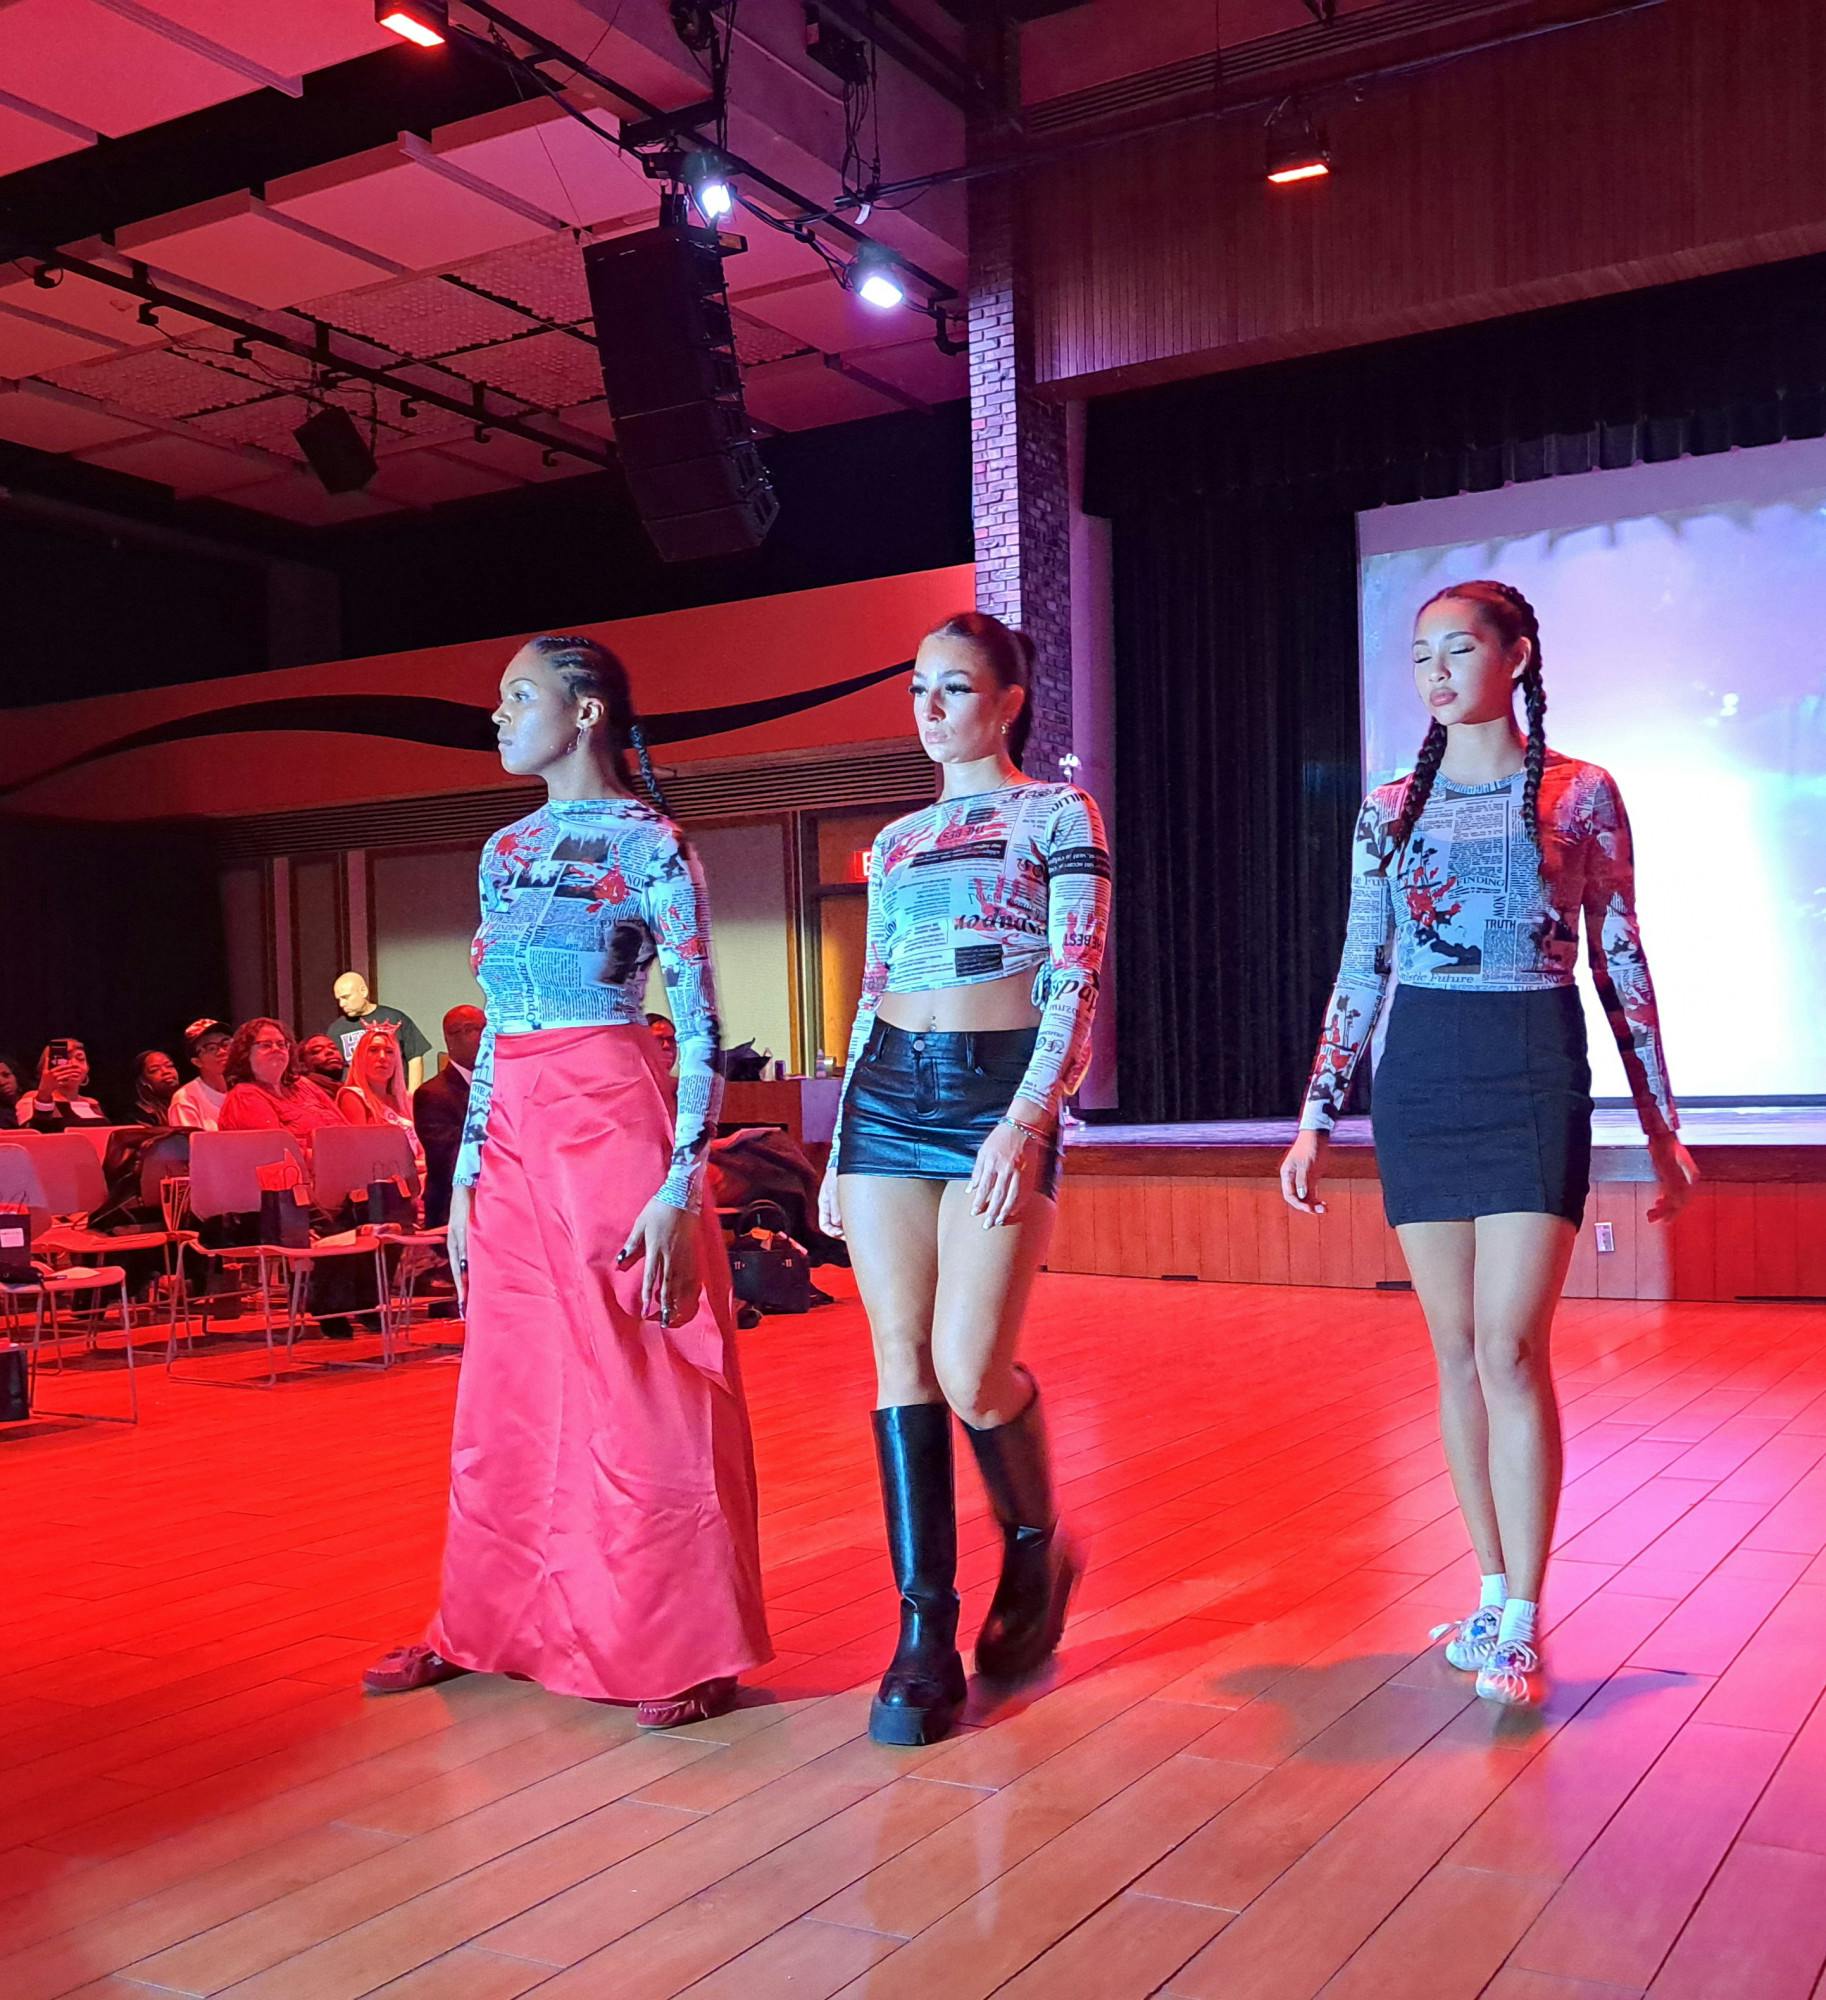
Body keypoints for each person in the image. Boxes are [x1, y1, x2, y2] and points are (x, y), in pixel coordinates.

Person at [1280, 580, 1698, 1709]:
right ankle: (1485, 1587)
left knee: (1510, 1346)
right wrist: (1318, 1111)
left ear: (1515, 655)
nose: (1434, 670)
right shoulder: (1383, 808)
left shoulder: (1579, 792)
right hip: (1418, 1077)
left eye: (1457, 648)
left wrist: (1660, 1124)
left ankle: (1522, 1614)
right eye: (1418, 654)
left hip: (1530, 1066)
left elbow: (1621, 960)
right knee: (1454, 1350)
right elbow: (1360, 962)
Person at [363, 633, 770, 1726]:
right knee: (509, 1382)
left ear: (585, 712)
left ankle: (682, 1642)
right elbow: (495, 1030)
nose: (497, 715)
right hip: (517, 1132)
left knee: (639, 1373)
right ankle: (489, 1619)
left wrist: (681, 1183)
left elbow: (698, 1022)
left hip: (608, 1112)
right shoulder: (501, 848)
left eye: (519, 695)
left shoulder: (650, 841)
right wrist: (462, 1179)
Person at [818, 611, 1112, 1746]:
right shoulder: (892, 841)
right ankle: (921, 1632)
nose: (929, 708)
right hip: (891, 1087)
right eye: (917, 690)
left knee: (969, 1366)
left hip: (1002, 1088)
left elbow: (1075, 977)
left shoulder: (1056, 812)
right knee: (898, 1357)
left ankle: (1036, 1547)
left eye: (952, 689)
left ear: (1006, 702)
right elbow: (871, 985)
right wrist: (842, 1140)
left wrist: (1027, 1115)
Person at [413, 1006, 485, 1230]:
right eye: (479, 1029)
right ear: (453, 1035)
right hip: (456, 1211)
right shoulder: (432, 1094)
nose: (488, 1037)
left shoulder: (503, 1085)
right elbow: (452, 1161)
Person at [218, 1019, 345, 1140]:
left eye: (281, 1044)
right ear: (245, 1053)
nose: (276, 1049)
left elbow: (347, 1128)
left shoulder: (303, 1084)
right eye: (266, 1045)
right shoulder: (244, 1096)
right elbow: (275, 1151)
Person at [335, 1023, 427, 1179]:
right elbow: (362, 1156)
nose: (383, 1057)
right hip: (382, 1183)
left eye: (390, 1052)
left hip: (419, 1176)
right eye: (373, 1050)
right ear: (360, 1057)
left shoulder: (407, 1101)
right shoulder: (352, 1097)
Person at [324, 974, 429, 1091]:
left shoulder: (394, 1018)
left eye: (346, 997)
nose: (342, 1004)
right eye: (339, 999)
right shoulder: (336, 1029)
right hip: (355, 1101)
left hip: (394, 1099)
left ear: (363, 991)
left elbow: (415, 1057)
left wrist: (412, 1096)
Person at [16, 1041, 108, 1128]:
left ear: (87, 1068)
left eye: (80, 1059)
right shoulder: (33, 1098)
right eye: (64, 1059)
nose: (74, 1064)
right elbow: (35, 1135)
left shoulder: (92, 1103)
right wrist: (45, 1094)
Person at [169, 1019, 233, 1131]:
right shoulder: (186, 1098)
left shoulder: (247, 1087)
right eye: (211, 1048)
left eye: (226, 1044)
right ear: (196, 1061)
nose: (222, 1051)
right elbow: (190, 1145)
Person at [132, 1050, 180, 1125]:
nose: (165, 1071)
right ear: (143, 1080)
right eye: (154, 1070)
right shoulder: (141, 1114)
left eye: (169, 1066)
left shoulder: (189, 1098)